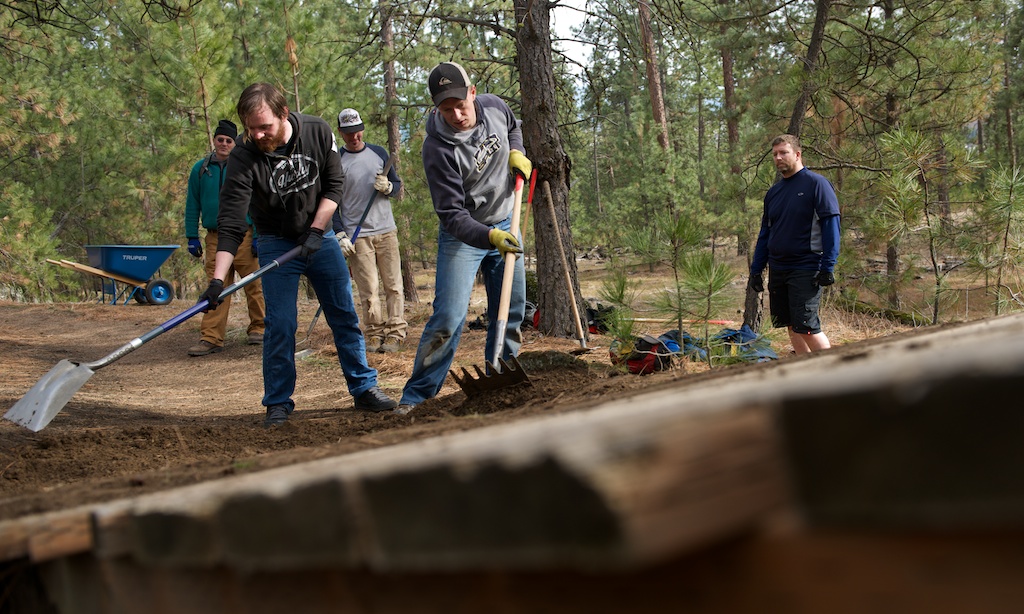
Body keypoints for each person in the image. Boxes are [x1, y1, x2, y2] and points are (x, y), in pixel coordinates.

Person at [200, 83, 398, 427]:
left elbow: (334, 184)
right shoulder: (244, 156)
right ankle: (277, 401)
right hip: (276, 240)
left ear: (283, 113)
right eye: (251, 128)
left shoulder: (317, 131)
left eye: (266, 127)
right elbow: (231, 223)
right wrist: (218, 279)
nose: (258, 135)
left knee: (343, 314)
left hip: (319, 238)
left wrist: (318, 229)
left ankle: (364, 388)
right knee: (281, 324)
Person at [395, 62, 532, 415]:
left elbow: (513, 127)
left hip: (506, 219)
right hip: (465, 235)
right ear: (436, 108)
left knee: (512, 310)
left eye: (461, 104)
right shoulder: (437, 149)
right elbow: (452, 215)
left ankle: (501, 377)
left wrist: (516, 151)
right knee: (448, 318)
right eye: (446, 109)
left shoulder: (495, 107)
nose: (457, 115)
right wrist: (489, 236)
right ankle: (417, 398)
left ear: (473, 92)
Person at [748, 134, 840, 354]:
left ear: (797, 154)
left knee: (806, 326)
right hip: (779, 268)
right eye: (775, 154)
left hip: (806, 267)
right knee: (790, 324)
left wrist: (828, 266)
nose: (778, 158)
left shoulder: (816, 184)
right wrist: (756, 270)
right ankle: (807, 373)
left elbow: (832, 226)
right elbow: (765, 233)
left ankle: (837, 373)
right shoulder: (774, 193)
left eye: (783, 153)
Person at [184, 119, 265, 356]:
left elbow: (257, 200)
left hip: (244, 235)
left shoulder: (243, 166)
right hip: (214, 237)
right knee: (215, 287)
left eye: (229, 140)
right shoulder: (201, 169)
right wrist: (191, 236)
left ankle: (259, 328)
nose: (224, 144)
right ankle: (211, 337)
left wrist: (258, 234)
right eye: (220, 139)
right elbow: (192, 204)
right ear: (214, 141)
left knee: (254, 285)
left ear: (235, 143)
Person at [331, 108, 407, 354]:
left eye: (358, 131)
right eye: (349, 133)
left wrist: (387, 188)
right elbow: (331, 202)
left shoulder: (379, 153)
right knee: (369, 289)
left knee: (393, 285)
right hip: (358, 235)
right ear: (341, 133)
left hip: (386, 230)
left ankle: (396, 333)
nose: (355, 137)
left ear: (362, 129)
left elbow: (397, 187)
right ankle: (374, 333)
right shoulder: (336, 162)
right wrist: (339, 233)